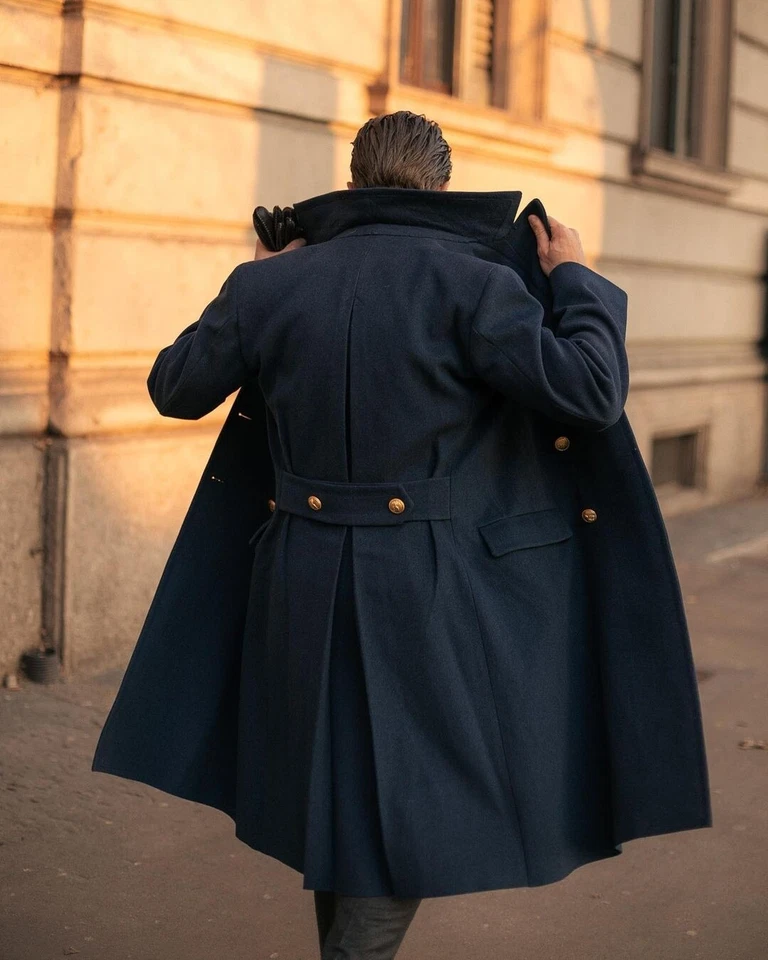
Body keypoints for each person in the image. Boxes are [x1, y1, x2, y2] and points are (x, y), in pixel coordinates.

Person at [92, 112, 711, 959]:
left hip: (294, 575)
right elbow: (592, 389)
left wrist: (261, 272)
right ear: (442, 189)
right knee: (409, 801)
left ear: (352, 183)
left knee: (337, 789)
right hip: (428, 585)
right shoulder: (474, 285)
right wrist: (575, 279)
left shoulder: (270, 285)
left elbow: (175, 386)